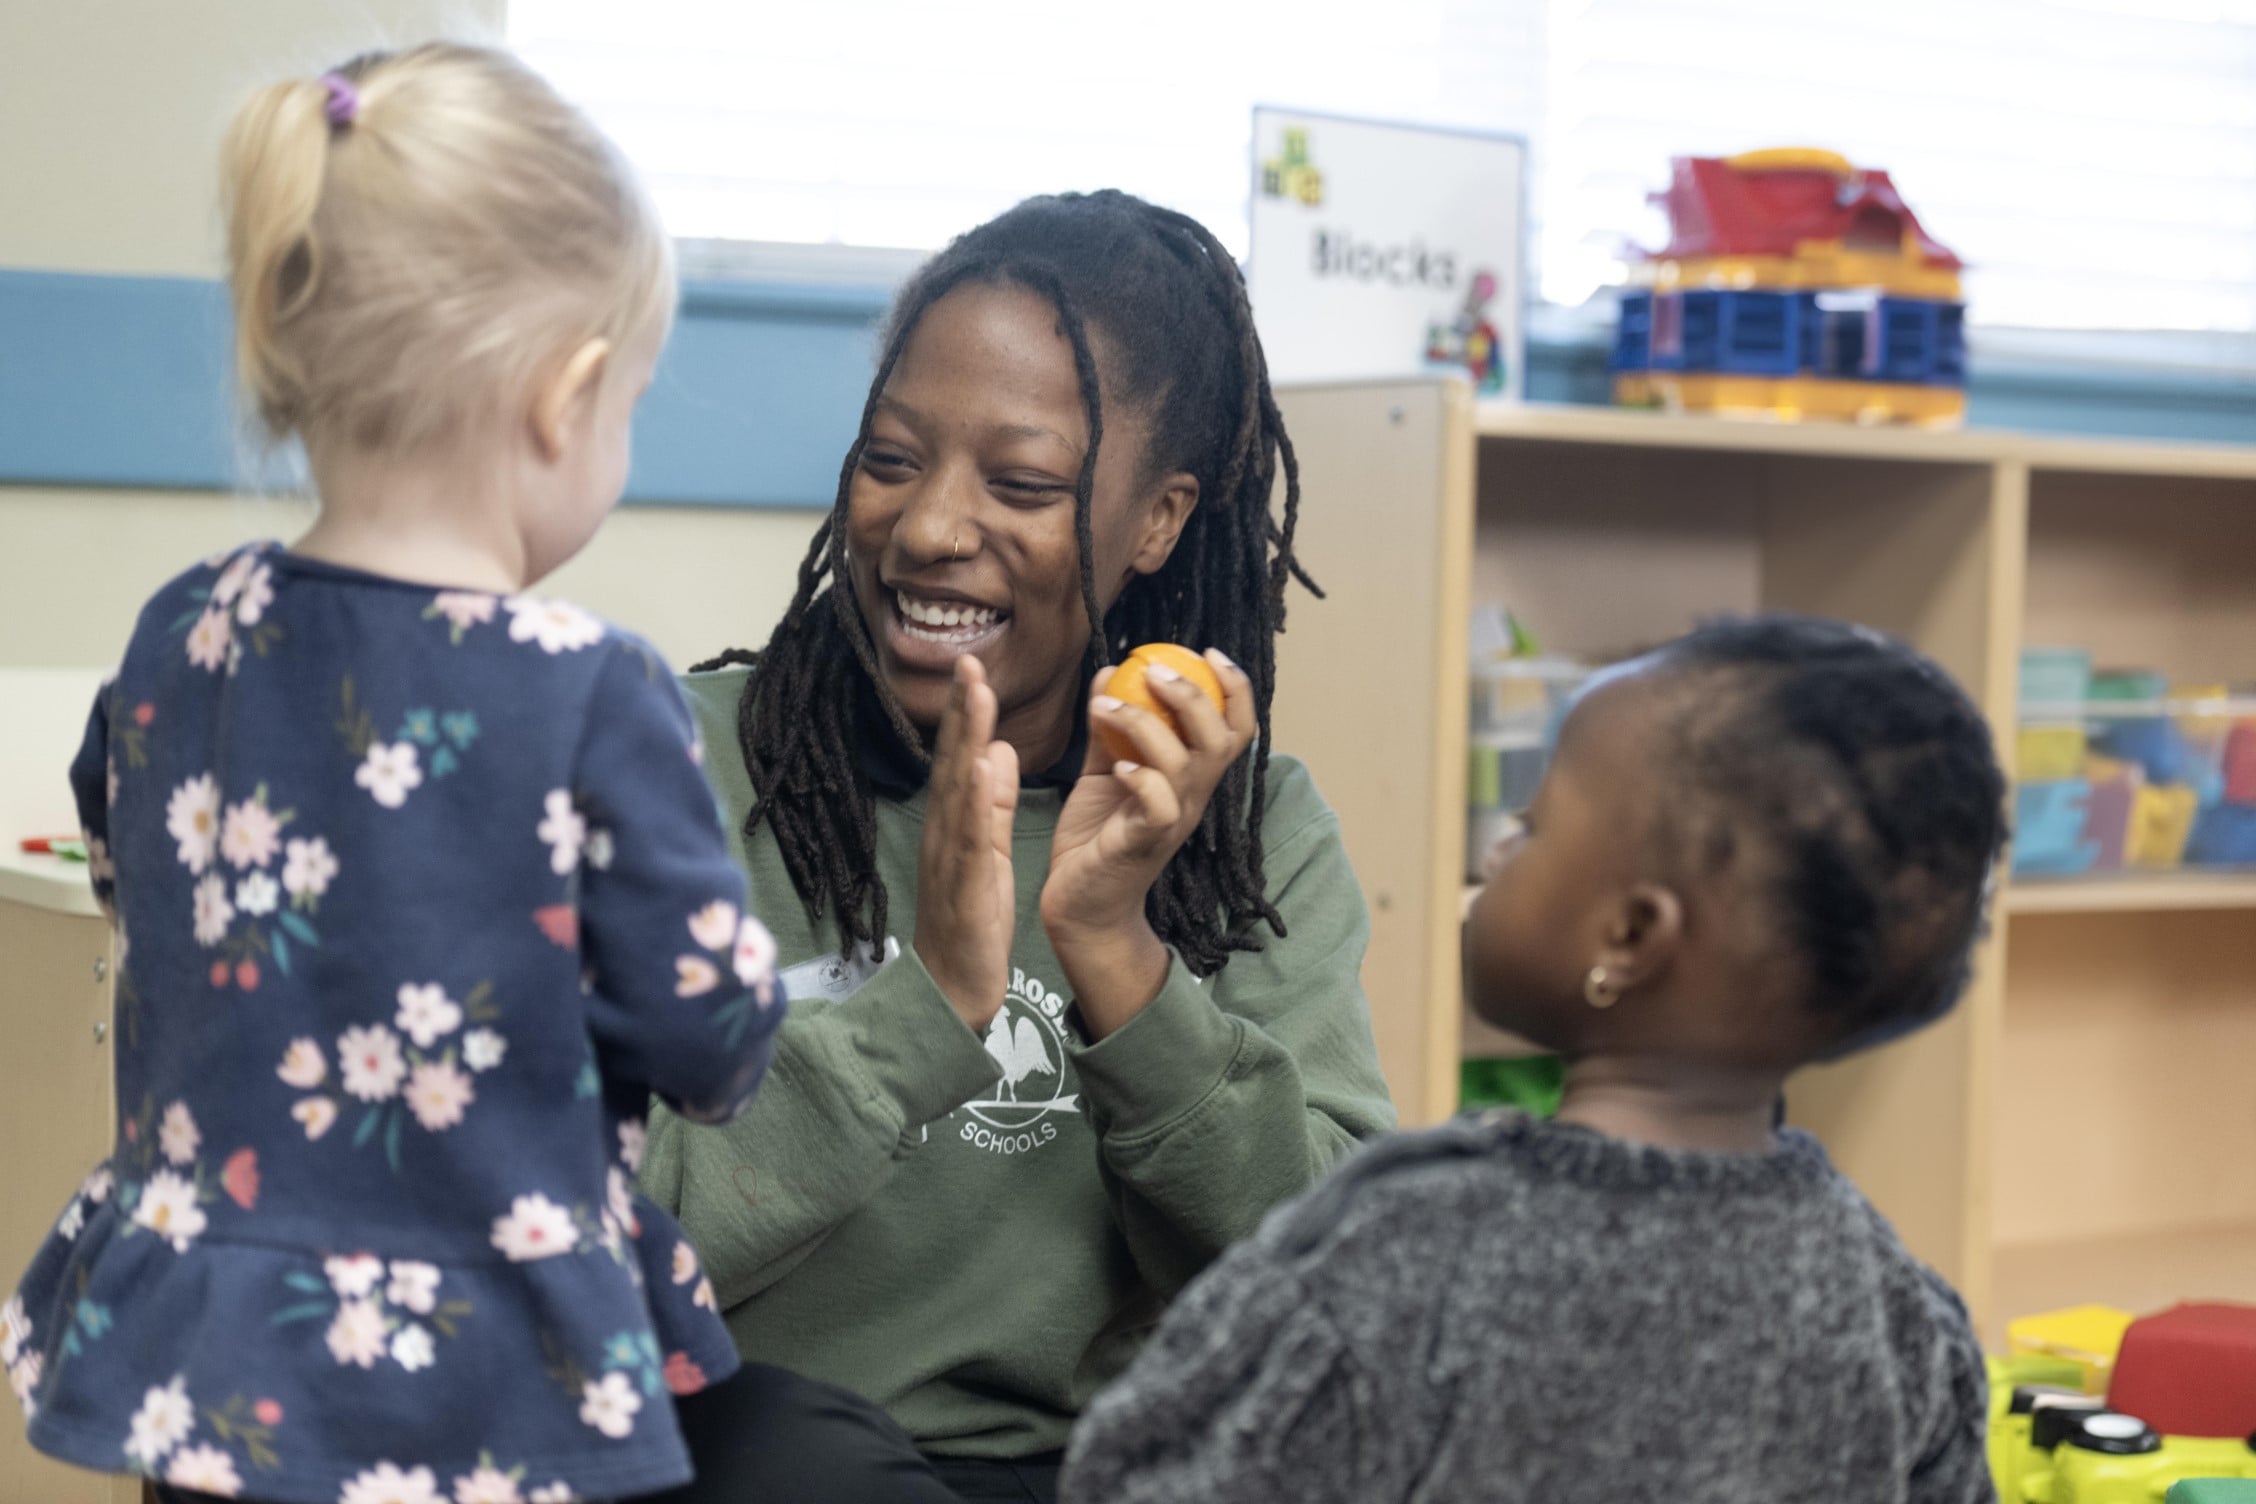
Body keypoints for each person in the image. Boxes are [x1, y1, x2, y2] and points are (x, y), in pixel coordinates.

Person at [1, 45, 786, 1503]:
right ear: (570, 396)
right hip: (486, 1372)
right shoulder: (589, 687)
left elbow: (130, 862)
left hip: (217, 1354)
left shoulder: (185, 630)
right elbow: (711, 1032)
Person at [640, 190, 1398, 1503]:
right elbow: (590, 1235)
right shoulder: (669, 765)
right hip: (760, 1459)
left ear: (1156, 522)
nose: (930, 527)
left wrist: (1116, 950)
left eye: (1024, 484)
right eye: (889, 460)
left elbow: (1329, 1291)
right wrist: (919, 1009)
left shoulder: (1247, 832)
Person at [1061, 615, 2009, 1503]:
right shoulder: (1897, 1310)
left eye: (1538, 823)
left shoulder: (1400, 1243)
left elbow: (1136, 1478)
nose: (1505, 842)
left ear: (1629, 936)